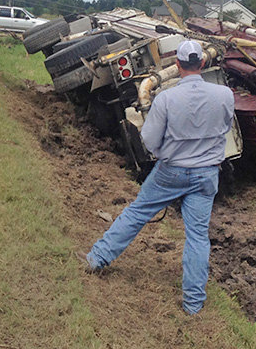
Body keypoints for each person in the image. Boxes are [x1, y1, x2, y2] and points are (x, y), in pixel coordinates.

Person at [85, 39, 235, 315]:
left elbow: (150, 142)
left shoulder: (166, 98)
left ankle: (98, 258)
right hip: (206, 175)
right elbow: (225, 128)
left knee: (137, 213)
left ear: (177, 66)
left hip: (171, 171)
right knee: (198, 237)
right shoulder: (225, 95)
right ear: (202, 63)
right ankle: (193, 304)